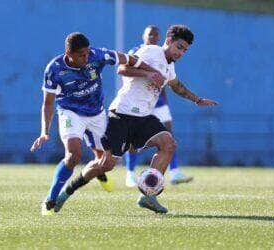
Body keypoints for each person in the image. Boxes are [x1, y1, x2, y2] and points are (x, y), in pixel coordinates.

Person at [54, 25, 218, 214]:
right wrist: (148, 73)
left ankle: (148, 196)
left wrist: (197, 100)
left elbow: (176, 86)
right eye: (179, 47)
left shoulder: (169, 66)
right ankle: (67, 191)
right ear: (168, 42)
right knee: (106, 165)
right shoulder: (150, 51)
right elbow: (122, 69)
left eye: (185, 50)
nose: (181, 52)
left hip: (143, 118)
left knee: (169, 144)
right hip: (121, 115)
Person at [30, 32, 163, 216]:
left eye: (87, 53)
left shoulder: (98, 55)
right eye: (81, 55)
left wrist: (151, 72)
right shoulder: (54, 69)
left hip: (97, 113)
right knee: (73, 155)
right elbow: (48, 103)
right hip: (71, 112)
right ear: (68, 54)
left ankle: (99, 172)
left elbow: (128, 59)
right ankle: (51, 199)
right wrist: (44, 131)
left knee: (105, 161)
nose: (86, 58)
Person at [124, 25, 193, 187]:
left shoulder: (165, 55)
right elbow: (126, 72)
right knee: (131, 139)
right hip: (140, 100)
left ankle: (174, 172)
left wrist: (166, 103)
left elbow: (167, 80)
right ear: (144, 36)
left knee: (169, 133)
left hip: (159, 101)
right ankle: (130, 173)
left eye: (155, 36)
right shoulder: (137, 51)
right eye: (150, 35)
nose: (152, 38)